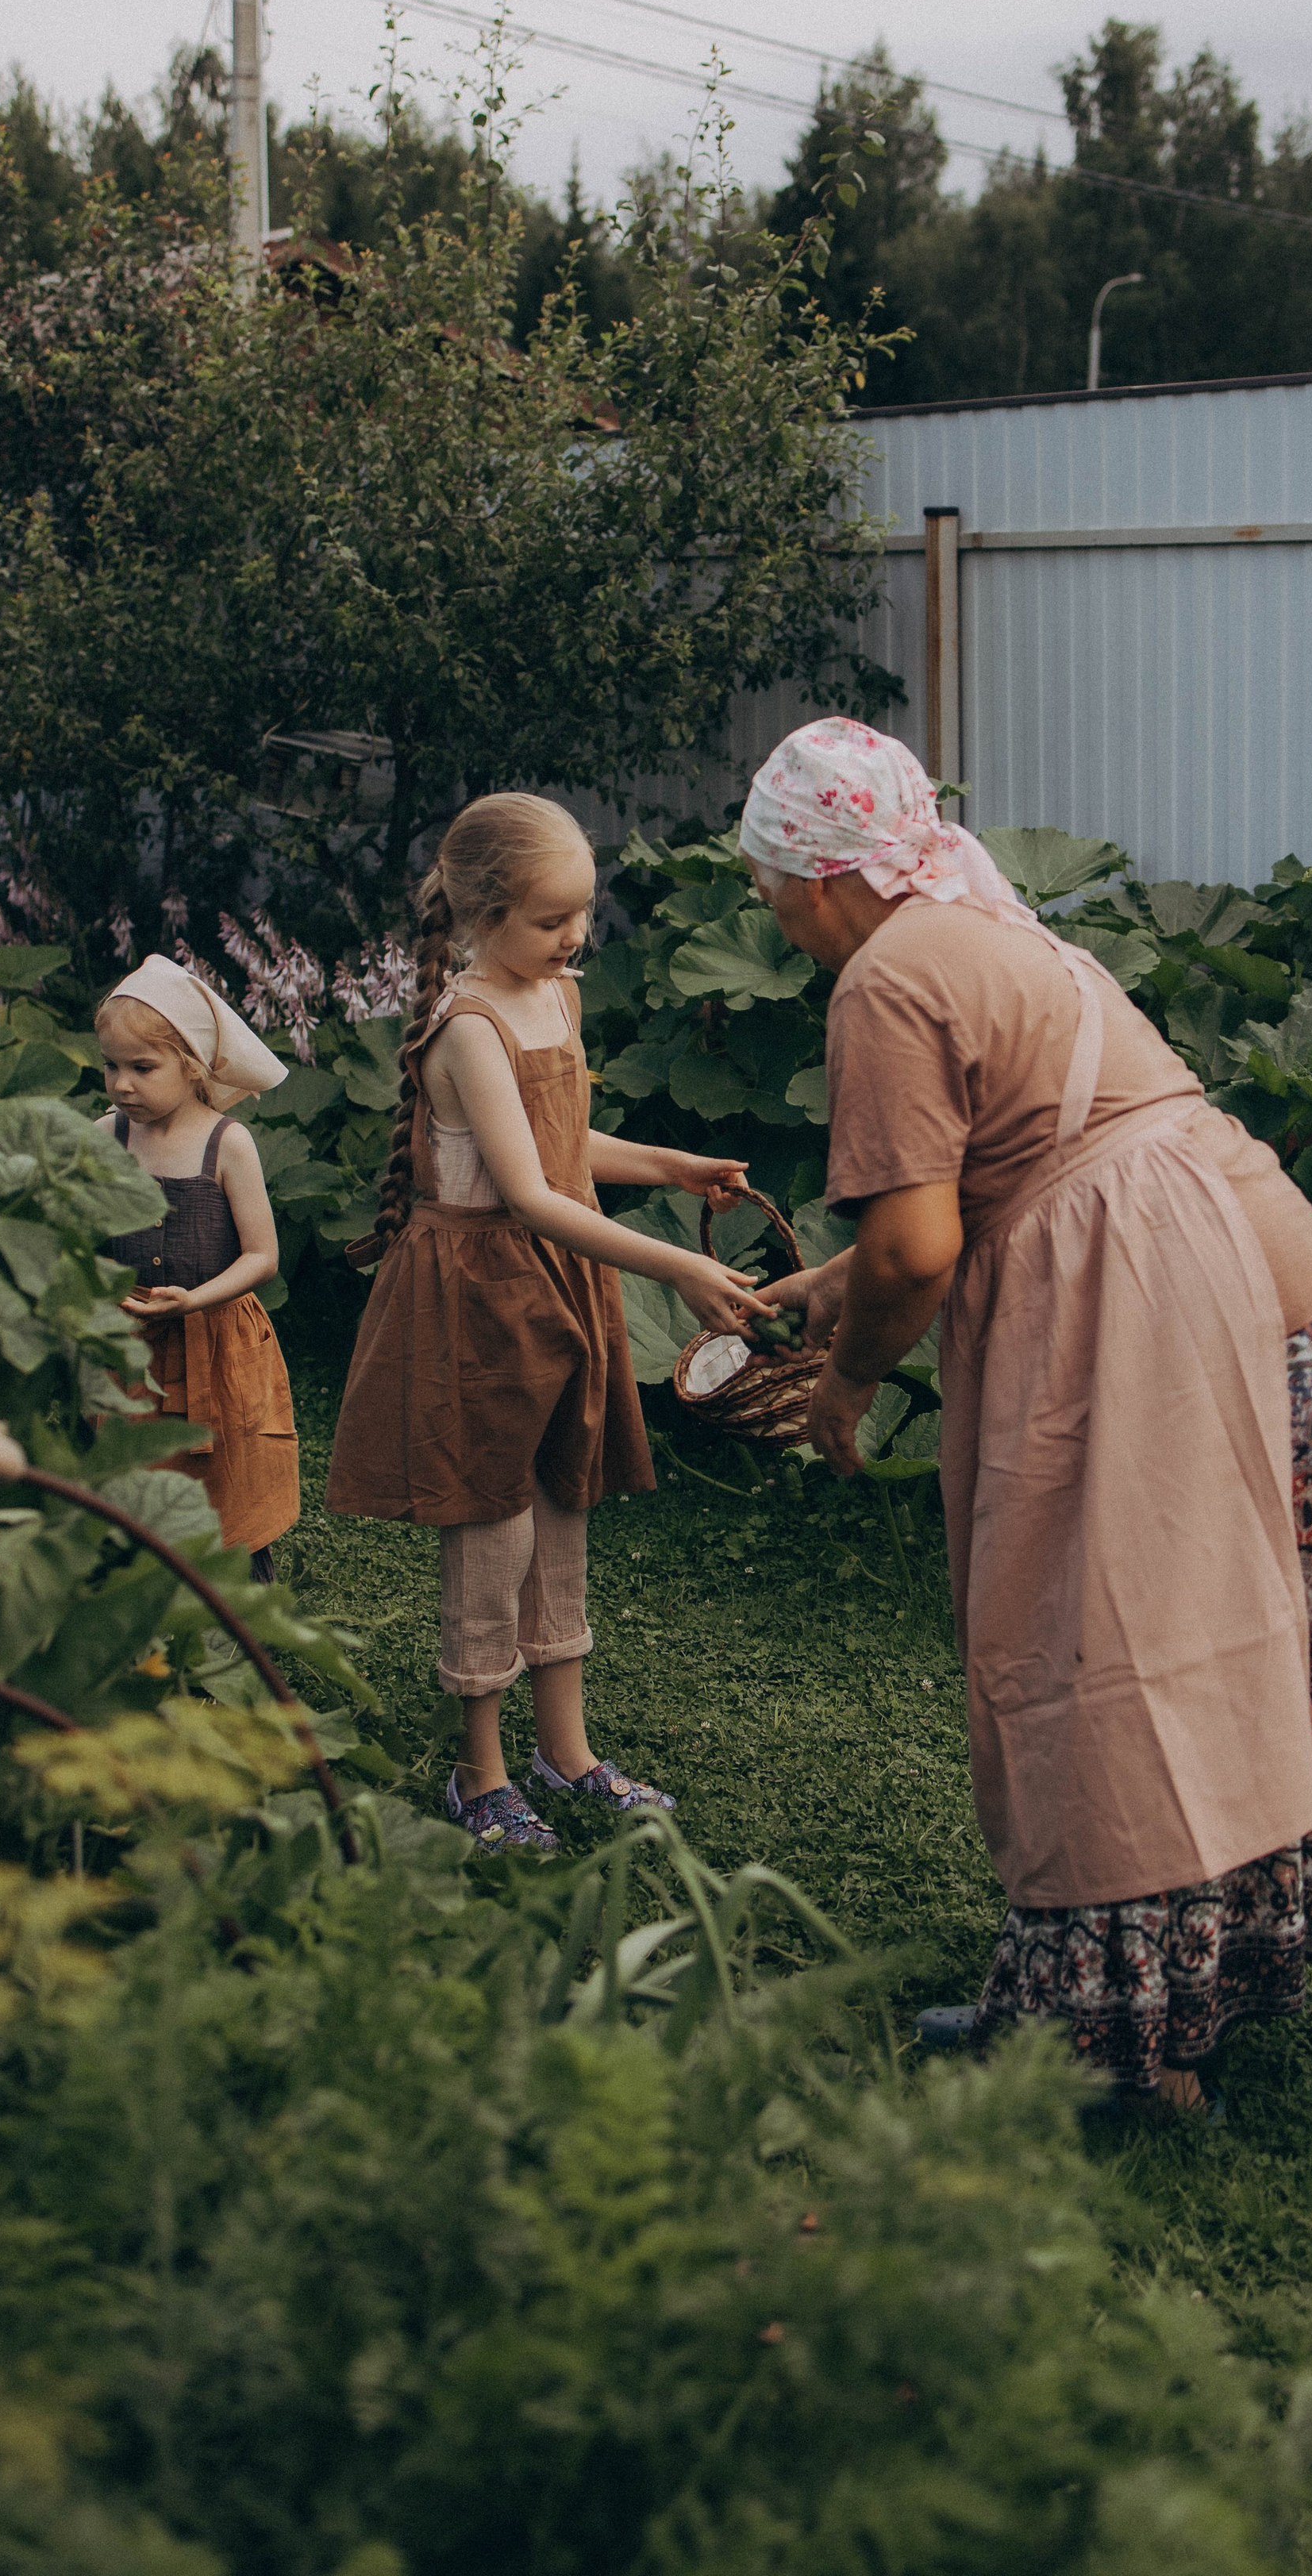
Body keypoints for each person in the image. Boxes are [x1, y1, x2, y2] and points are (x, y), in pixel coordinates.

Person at [746, 719, 1312, 2111]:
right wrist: (843, 1279)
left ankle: (1121, 2041)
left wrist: (851, 1378)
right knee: (1226, 1639)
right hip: (1254, 1258)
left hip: (1154, 1296)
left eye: (765, 885)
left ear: (817, 877)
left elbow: (920, 1252)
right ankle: (1199, 1981)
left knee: (1104, 1643)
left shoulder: (884, 978)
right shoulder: (985, 928)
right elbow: (1016, 1153)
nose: (769, 915)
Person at [328, 793, 771, 1856]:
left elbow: (564, 1145)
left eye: (584, 912)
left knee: (560, 1511)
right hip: (480, 1297)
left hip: (554, 1283)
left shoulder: (555, 998)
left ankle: (563, 1753)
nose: (576, 938)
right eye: (551, 920)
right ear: (483, 915)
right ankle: (478, 1772)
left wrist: (671, 1165)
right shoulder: (471, 1025)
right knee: (492, 1528)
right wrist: (681, 1267)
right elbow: (526, 1193)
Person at [94, 958, 298, 1583]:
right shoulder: (106, 1136)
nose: (122, 1084)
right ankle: (139, 1603)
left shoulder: (227, 1143)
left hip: (216, 1339)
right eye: (111, 1066)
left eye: (142, 1067)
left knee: (227, 1475)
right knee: (133, 1471)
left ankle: (231, 1614)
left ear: (192, 1065)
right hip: (129, 1343)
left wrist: (195, 1299)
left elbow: (263, 1256)